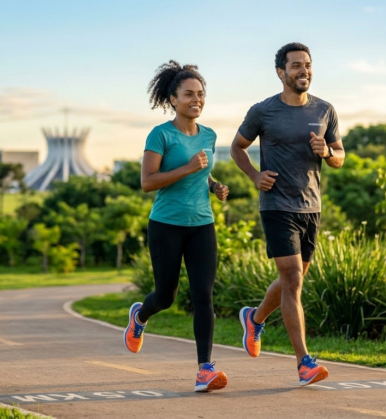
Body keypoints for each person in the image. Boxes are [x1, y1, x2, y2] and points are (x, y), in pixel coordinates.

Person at [230, 42, 345, 386]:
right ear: (281, 72)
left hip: (311, 207)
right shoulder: (263, 111)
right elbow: (237, 147)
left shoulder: (325, 110)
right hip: (277, 205)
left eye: (307, 65)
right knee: (293, 279)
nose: (303, 71)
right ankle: (304, 363)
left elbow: (340, 156)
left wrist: (327, 153)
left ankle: (255, 318)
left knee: (292, 280)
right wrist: (255, 176)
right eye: (295, 65)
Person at [124, 60, 230, 393]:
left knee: (203, 297)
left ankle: (204, 369)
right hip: (166, 225)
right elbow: (147, 182)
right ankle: (140, 316)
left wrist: (213, 185)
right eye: (189, 94)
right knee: (166, 296)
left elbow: (203, 170)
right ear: (173, 99)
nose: (196, 99)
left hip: (202, 225)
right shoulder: (160, 135)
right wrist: (187, 168)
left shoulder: (209, 135)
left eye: (200, 94)